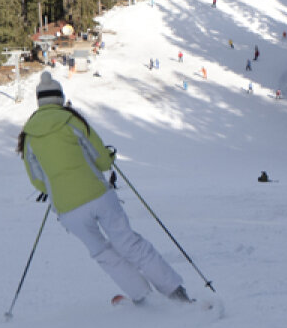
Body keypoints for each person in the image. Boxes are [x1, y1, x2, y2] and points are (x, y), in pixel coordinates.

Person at [18, 72, 191, 305]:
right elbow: (102, 160)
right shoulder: (71, 120)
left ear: (39, 101)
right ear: (60, 97)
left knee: (102, 253)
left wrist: (57, 185)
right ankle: (175, 293)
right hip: (98, 195)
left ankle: (143, 297)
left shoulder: (28, 135)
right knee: (128, 243)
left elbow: (37, 180)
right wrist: (107, 158)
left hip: (68, 210)